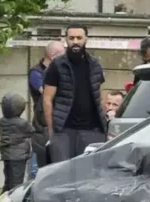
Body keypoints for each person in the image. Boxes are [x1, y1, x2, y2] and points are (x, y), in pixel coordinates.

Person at [42, 24, 108, 163]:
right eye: (72, 38)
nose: (76, 41)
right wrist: (52, 131)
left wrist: (104, 121)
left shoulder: (95, 64)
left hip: (92, 129)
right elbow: (47, 99)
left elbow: (99, 93)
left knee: (89, 173)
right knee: (62, 173)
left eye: (79, 37)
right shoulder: (57, 65)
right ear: (66, 40)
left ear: (86, 39)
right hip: (64, 130)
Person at [27, 41, 65, 177]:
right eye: (63, 53)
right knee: (37, 164)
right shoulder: (36, 72)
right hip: (42, 121)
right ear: (53, 55)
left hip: (58, 119)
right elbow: (45, 92)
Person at [0, 93, 35, 192]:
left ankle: (4, 196)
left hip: (6, 155)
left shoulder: (1, 122)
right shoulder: (22, 123)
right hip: (19, 156)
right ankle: (15, 198)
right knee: (17, 181)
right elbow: (31, 131)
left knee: (8, 178)